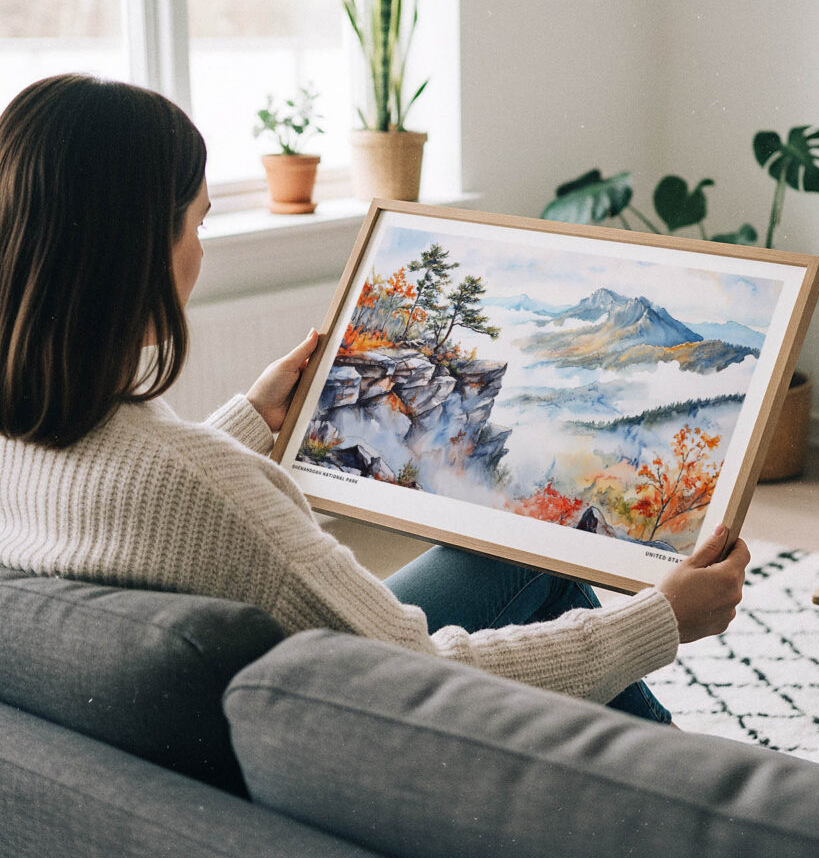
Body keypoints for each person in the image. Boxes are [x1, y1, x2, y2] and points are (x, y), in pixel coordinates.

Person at [0, 74, 749, 724]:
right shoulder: (206, 488)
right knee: (547, 572)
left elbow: (142, 496)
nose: (202, 250)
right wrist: (660, 620)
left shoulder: (27, 439)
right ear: (135, 253)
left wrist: (251, 421)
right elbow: (419, 675)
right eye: (198, 223)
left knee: (511, 557)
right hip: (360, 717)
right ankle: (695, 795)